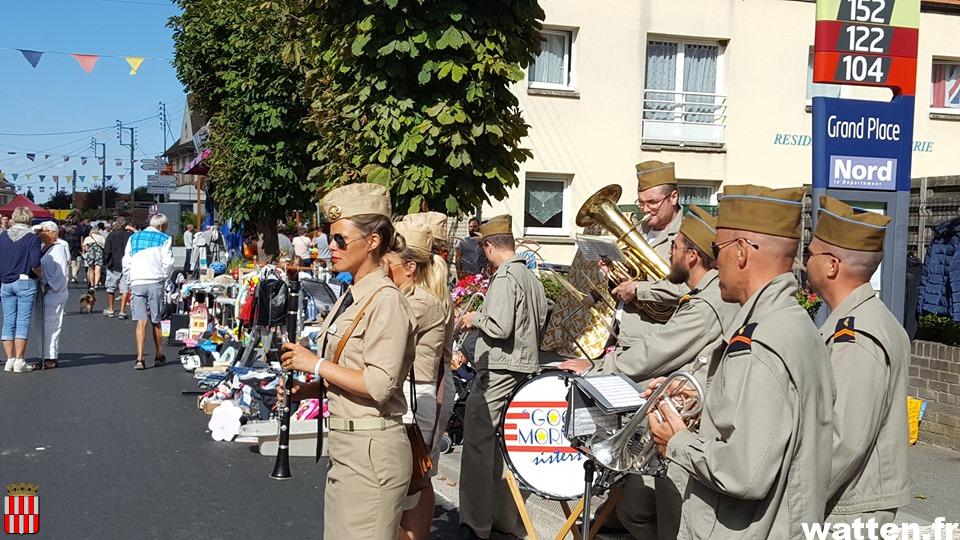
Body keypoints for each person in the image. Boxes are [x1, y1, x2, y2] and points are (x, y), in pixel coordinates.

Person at [647, 185, 835, 539]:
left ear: (742, 251)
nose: (715, 262)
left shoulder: (761, 341)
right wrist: (698, 396)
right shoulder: (795, 324)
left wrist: (677, 441)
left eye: (718, 250)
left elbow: (744, 473)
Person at [559, 205, 738, 539]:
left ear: (692, 256)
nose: (669, 253)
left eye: (675, 247)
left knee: (668, 518)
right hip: (674, 419)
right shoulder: (704, 296)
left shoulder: (707, 304)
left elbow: (656, 351)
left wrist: (597, 368)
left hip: (686, 427)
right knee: (636, 509)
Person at [279, 183, 416, 539]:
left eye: (341, 239)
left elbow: (379, 385)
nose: (332, 247)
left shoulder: (385, 300)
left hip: (371, 449)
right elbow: (349, 370)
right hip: (347, 445)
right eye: (330, 238)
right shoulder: (352, 296)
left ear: (373, 242)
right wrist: (308, 389)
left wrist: (315, 365)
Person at [806, 196, 911, 526]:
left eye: (810, 254)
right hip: (850, 501)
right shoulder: (862, 320)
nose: (804, 262)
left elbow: (845, 442)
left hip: (849, 509)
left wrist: (795, 501)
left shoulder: (856, 334)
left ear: (831, 265)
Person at [456, 215, 548, 540]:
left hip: (499, 369)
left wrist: (474, 317)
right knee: (502, 448)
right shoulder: (531, 277)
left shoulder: (507, 276)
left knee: (477, 445)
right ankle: (503, 519)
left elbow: (499, 326)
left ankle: (474, 523)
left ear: (488, 246)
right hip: (521, 367)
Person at [387, 223, 455, 540]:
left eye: (389, 260)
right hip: (425, 388)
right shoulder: (426, 294)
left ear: (410, 266)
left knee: (409, 482)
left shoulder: (420, 301)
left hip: (419, 391)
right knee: (420, 479)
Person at [612, 161, 689, 350]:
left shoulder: (687, 235)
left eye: (652, 202)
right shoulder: (638, 231)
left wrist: (637, 288)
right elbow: (630, 280)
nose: (645, 210)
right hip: (623, 335)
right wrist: (613, 272)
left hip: (656, 342)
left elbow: (689, 288)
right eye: (641, 202)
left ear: (674, 197)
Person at [123, 213, 174, 370]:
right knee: (156, 320)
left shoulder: (134, 238)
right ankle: (159, 354)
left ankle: (139, 358)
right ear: (161, 226)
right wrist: (165, 278)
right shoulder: (165, 239)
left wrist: (130, 279)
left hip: (137, 281)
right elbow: (168, 263)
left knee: (141, 321)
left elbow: (126, 261)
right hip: (155, 281)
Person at [1, 207, 42, 374]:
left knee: (8, 321)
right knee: (22, 322)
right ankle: (19, 360)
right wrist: (40, 275)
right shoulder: (32, 238)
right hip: (25, 280)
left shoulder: (3, 236)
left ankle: (9, 359)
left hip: (5, 281)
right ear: (29, 219)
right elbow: (35, 263)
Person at [30, 221, 70, 370]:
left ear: (53, 233)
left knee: (51, 325)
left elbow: (61, 273)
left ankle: (51, 357)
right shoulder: (42, 248)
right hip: (42, 293)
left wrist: (48, 286)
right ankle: (43, 355)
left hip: (54, 293)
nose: (41, 234)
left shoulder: (58, 248)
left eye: (44, 231)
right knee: (40, 326)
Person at [103, 217, 134, 319]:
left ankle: (111, 309)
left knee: (111, 288)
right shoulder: (130, 236)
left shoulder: (111, 235)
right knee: (124, 289)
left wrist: (107, 262)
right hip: (126, 265)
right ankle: (122, 311)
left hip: (113, 264)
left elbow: (107, 250)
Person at [82, 224, 105, 289]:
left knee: (91, 269)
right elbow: (104, 246)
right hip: (99, 254)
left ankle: (92, 284)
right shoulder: (101, 237)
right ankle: (96, 284)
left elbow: (85, 248)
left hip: (90, 254)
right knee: (98, 269)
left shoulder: (88, 238)